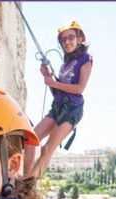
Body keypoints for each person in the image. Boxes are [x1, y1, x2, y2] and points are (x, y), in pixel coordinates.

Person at [24, 20, 93, 178]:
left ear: (80, 38)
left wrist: (53, 82)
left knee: (47, 149)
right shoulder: (66, 63)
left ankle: (29, 187)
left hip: (72, 110)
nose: (67, 42)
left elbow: (79, 89)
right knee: (31, 138)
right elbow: (58, 92)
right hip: (57, 107)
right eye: (63, 39)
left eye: (71, 37)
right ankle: (25, 178)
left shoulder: (86, 59)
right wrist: (47, 77)